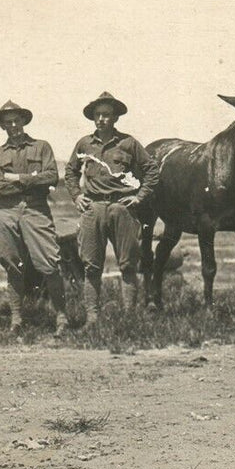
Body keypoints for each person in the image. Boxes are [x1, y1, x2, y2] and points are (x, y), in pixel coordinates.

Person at [0, 100, 72, 336]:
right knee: (12, 266)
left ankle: (61, 318)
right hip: (6, 212)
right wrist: (31, 179)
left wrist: (18, 178)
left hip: (35, 209)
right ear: (2, 126)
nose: (13, 125)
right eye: (7, 122)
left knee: (49, 263)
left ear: (24, 121)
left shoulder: (42, 147)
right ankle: (16, 320)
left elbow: (51, 176)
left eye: (16, 120)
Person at [64, 92, 159, 322]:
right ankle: (92, 319)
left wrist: (139, 197)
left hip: (121, 208)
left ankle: (128, 318)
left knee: (127, 265)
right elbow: (70, 172)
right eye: (97, 115)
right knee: (91, 266)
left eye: (106, 115)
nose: (101, 119)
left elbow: (152, 170)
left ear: (115, 118)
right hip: (93, 208)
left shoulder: (128, 143)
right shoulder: (84, 144)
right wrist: (77, 196)